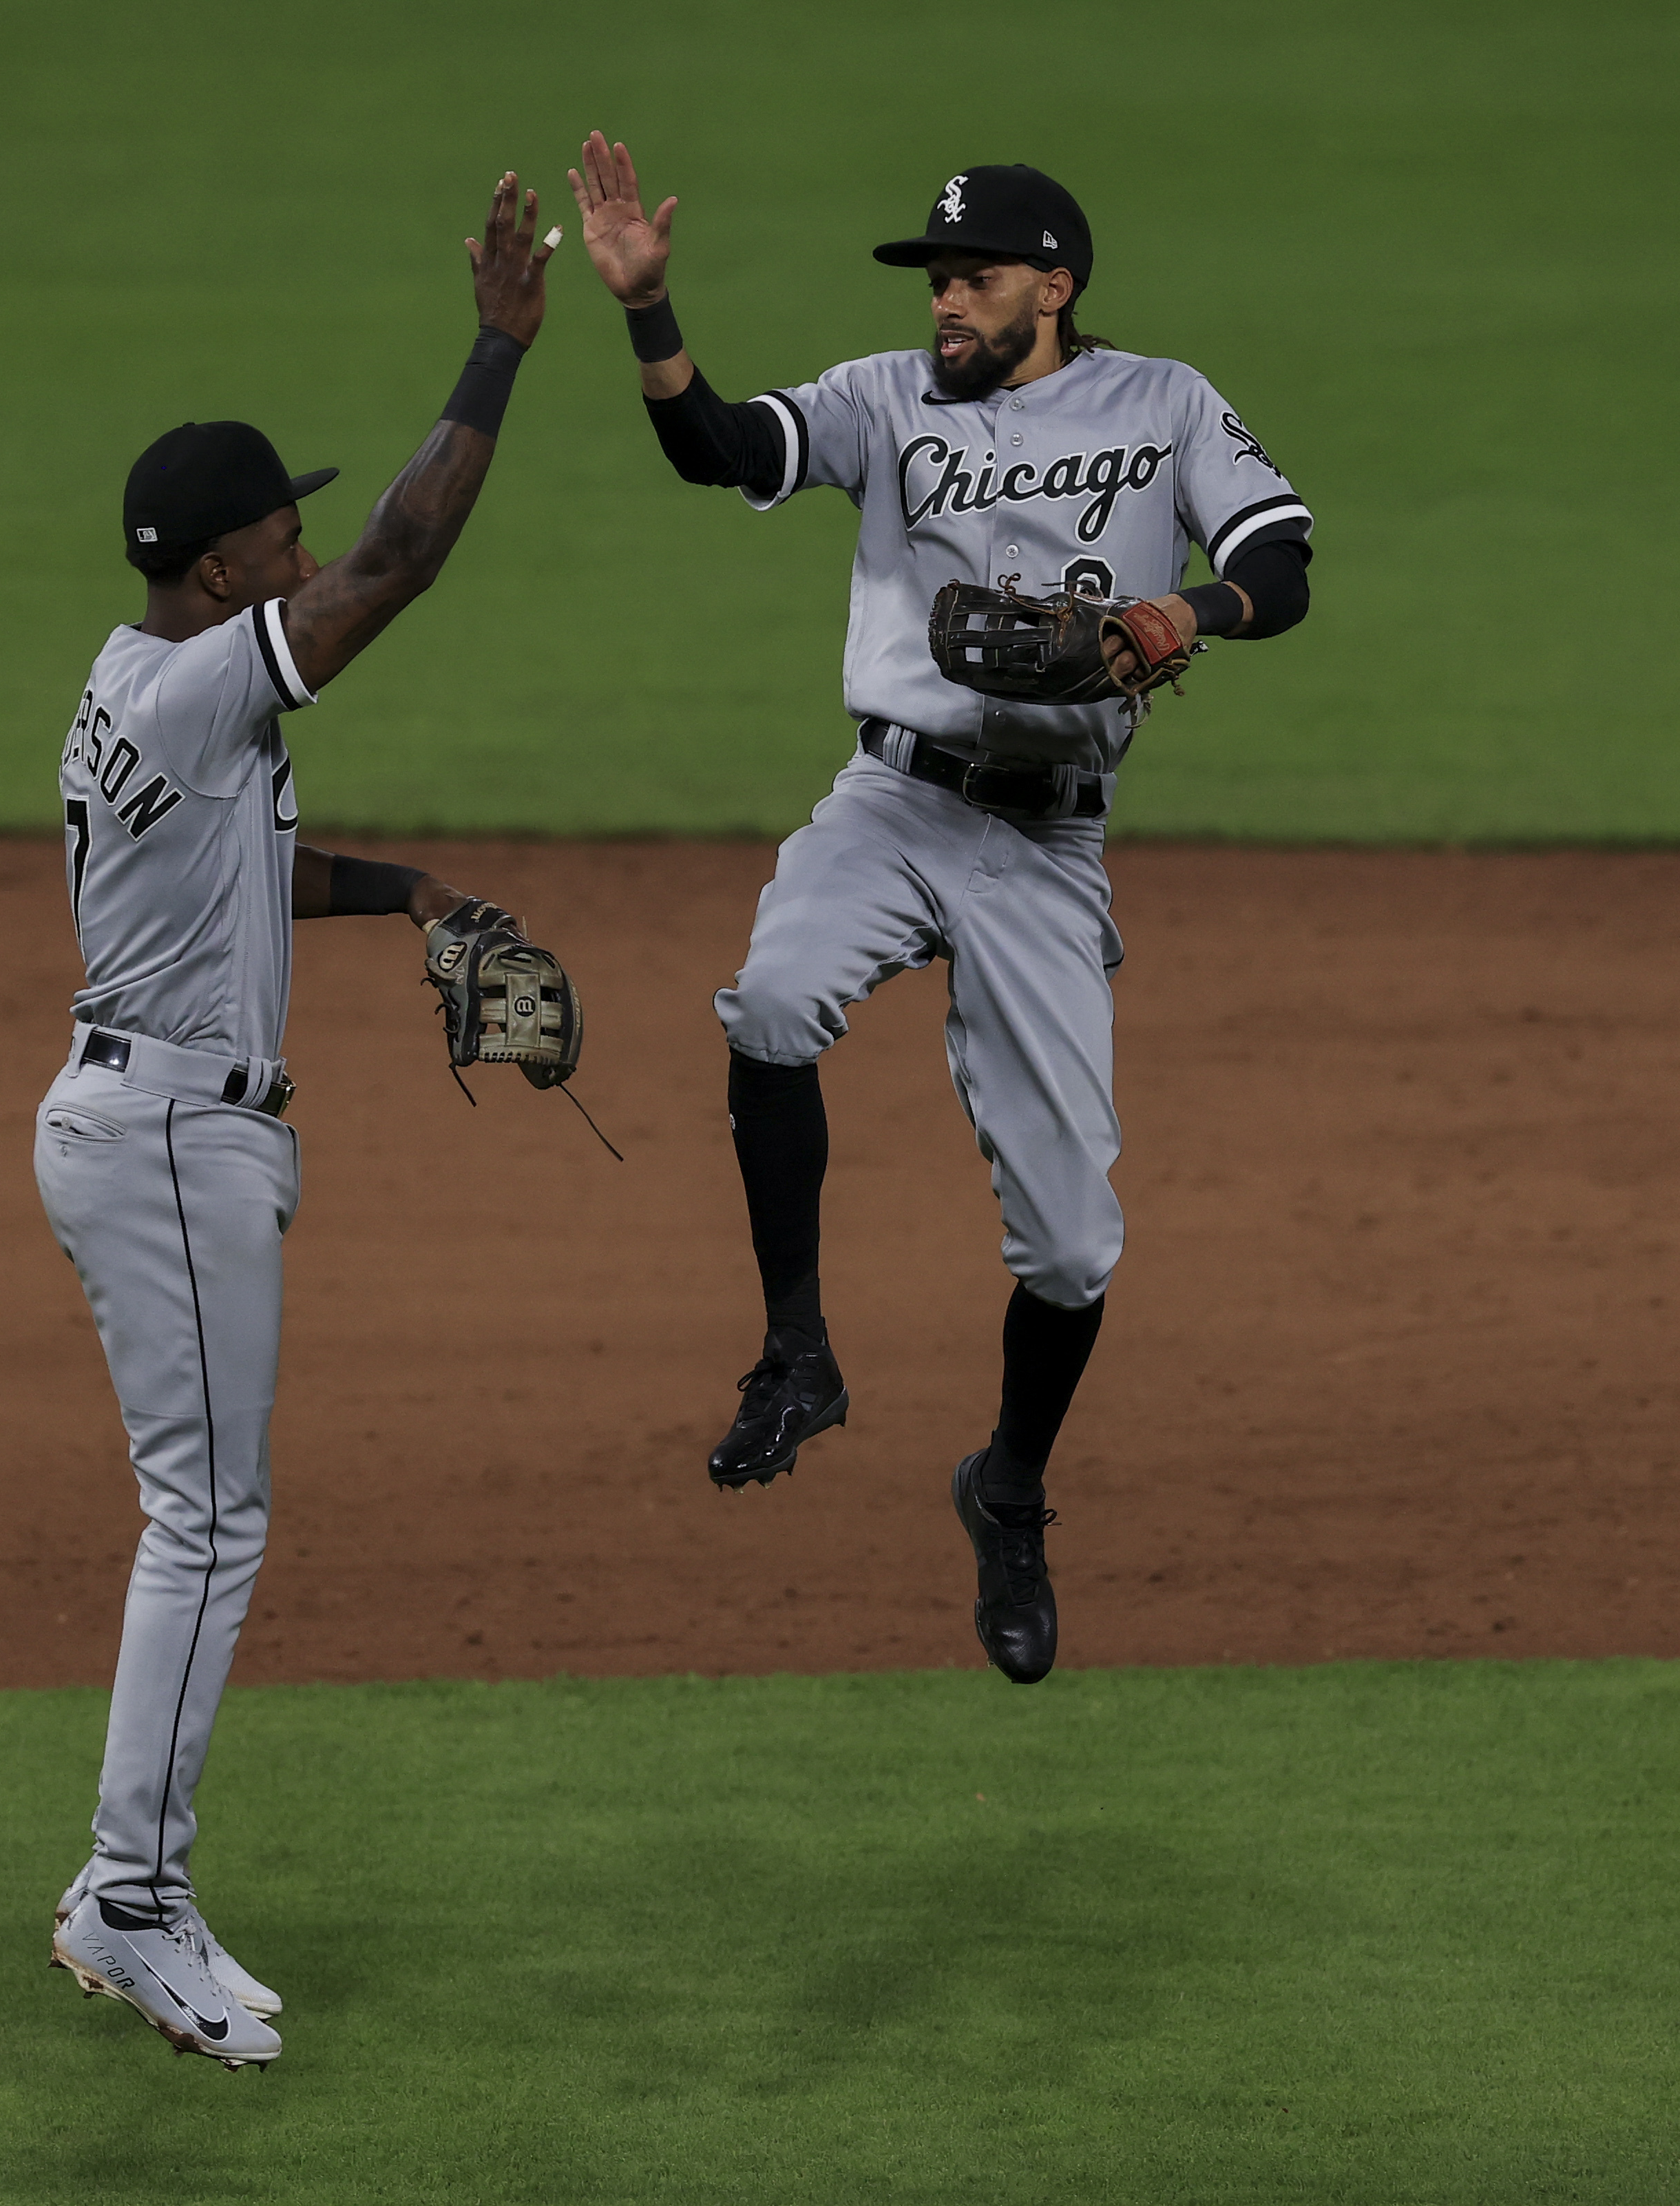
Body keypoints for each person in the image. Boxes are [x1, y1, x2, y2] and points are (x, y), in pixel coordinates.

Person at [565, 137, 1316, 1685]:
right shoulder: (882, 401)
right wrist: (649, 309)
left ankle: (1011, 1490)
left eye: (973, 277)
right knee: (771, 1000)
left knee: (1070, 1251)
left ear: (1057, 284)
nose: (948, 302)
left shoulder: (1166, 403)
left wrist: (1193, 607)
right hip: (893, 802)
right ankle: (797, 1353)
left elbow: (1283, 562)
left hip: (1046, 849)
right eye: (935, 279)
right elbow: (719, 448)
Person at [34, 174, 555, 2068]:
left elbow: (247, 876)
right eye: (285, 529)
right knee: (209, 1520)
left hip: (161, 1122)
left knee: (211, 1513)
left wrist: (405, 886)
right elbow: (402, 563)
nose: (312, 538)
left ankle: (135, 1886)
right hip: (170, 1139)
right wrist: (496, 348)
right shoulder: (191, 690)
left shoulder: (136, 692)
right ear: (225, 560)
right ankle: (132, 1896)